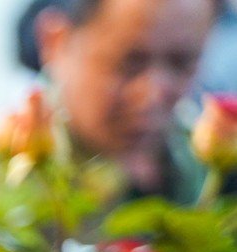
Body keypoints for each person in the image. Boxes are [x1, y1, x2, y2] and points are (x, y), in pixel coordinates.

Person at [17, 0, 229, 198]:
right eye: (129, 64)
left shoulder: (210, 172)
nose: (153, 95)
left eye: (181, 64)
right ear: (55, 41)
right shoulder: (10, 190)